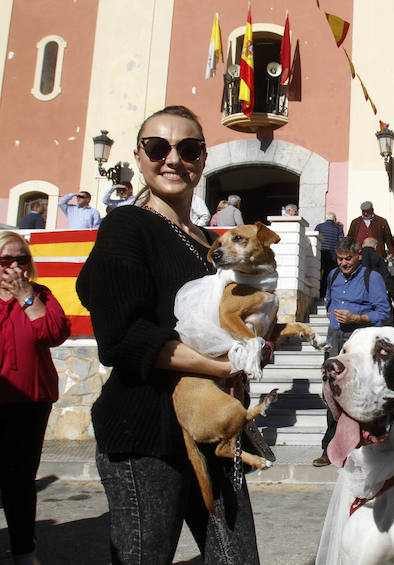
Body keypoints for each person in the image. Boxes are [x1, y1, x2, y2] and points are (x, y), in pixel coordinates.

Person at [75, 106, 262, 564]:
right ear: (139, 156)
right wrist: (226, 365)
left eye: (189, 148)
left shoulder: (207, 242)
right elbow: (124, 335)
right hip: (147, 431)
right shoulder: (127, 225)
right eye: (158, 148)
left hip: (210, 427)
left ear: (203, 158)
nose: (173, 159)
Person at [0, 231, 71, 565]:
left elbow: (54, 333)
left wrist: (27, 298)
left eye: (21, 260)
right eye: (5, 261)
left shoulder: (40, 294)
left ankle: (24, 552)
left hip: (30, 399)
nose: (14, 267)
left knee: (19, 479)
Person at [313, 236, 391, 467]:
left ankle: (364, 448)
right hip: (335, 341)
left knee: (359, 395)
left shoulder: (372, 278)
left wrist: (356, 318)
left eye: (348, 258)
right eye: (340, 259)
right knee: (332, 394)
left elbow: (384, 312)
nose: (344, 263)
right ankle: (331, 449)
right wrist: (333, 318)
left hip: (359, 343)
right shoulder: (333, 275)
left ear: (358, 256)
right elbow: (329, 300)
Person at [314, 212, 345, 297]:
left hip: (320, 253)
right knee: (329, 275)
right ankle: (326, 294)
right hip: (332, 255)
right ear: (334, 219)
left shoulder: (319, 226)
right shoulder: (338, 229)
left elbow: (314, 240)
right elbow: (341, 242)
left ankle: (317, 293)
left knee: (316, 274)